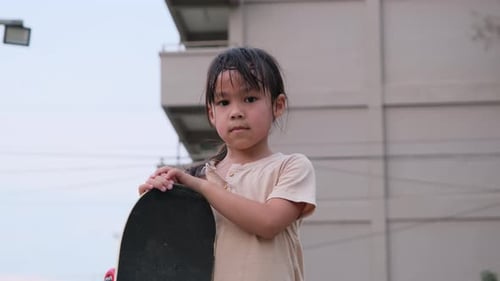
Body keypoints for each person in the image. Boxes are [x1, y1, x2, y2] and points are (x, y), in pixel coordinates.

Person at [139, 47, 316, 281]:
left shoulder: (291, 167)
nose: (236, 112)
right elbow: (166, 250)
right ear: (211, 113)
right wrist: (155, 200)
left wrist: (199, 187)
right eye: (224, 102)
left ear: (278, 105)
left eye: (250, 99)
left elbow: (268, 222)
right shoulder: (196, 178)